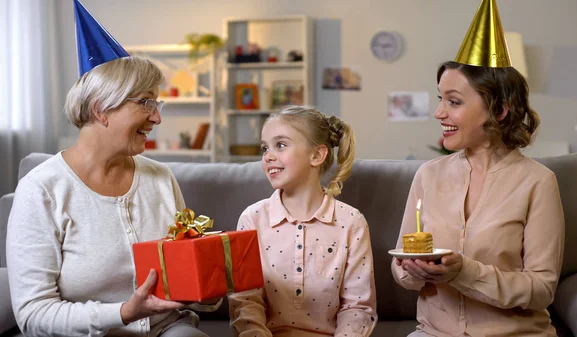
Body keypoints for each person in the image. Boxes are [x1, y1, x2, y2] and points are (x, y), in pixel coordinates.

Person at [6, 1, 220, 336]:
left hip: (169, 330)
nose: (157, 117)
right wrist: (121, 313)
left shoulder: (160, 178)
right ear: (102, 109)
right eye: (146, 103)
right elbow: (33, 315)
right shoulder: (42, 189)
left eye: (157, 103)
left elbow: (185, 280)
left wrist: (209, 287)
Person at [391, 1, 565, 336]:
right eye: (440, 98)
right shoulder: (428, 175)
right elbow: (401, 270)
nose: (439, 113)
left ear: (499, 110)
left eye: (453, 101)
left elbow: (542, 289)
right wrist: (412, 270)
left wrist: (464, 273)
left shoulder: (538, 182)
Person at [229, 106, 377, 336]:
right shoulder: (252, 219)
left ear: (317, 155)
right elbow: (245, 303)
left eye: (280, 145)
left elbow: (357, 308)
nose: (268, 156)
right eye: (264, 148)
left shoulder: (351, 222)